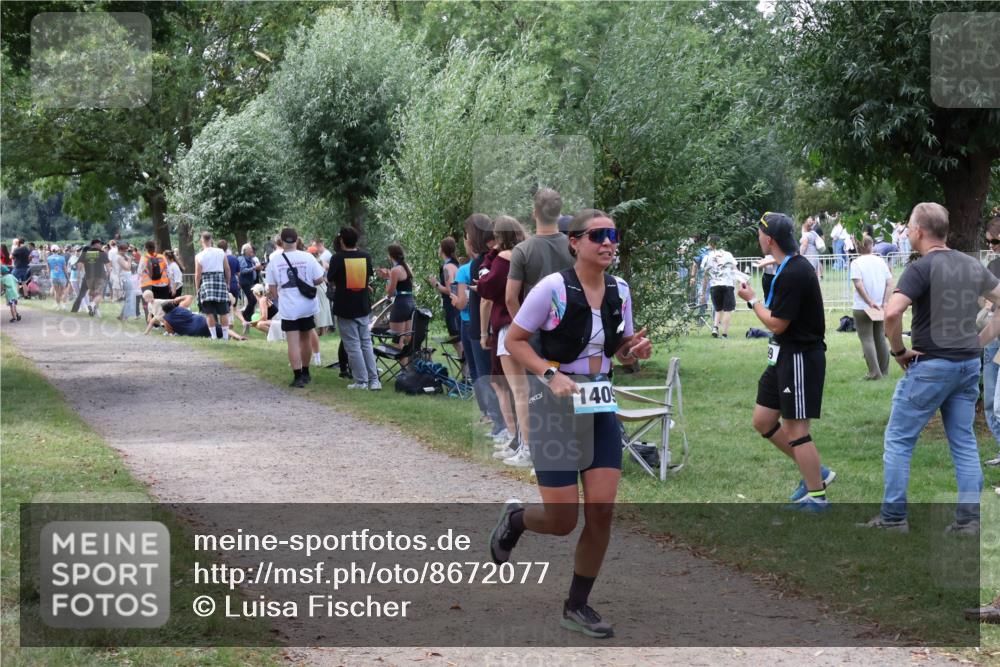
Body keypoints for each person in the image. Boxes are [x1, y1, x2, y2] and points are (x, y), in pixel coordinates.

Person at [491, 209, 652, 639]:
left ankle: (577, 605)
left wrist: (633, 352)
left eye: (613, 235)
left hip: (597, 403)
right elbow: (514, 340)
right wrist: (549, 374)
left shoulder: (620, 290)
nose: (607, 243)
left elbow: (619, 348)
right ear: (574, 242)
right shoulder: (552, 288)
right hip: (554, 405)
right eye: (597, 235)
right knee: (564, 520)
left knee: (601, 511)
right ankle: (517, 519)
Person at [859, 203, 999, 534]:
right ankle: (969, 521)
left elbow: (892, 314)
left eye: (909, 227)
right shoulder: (971, 265)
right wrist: (978, 343)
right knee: (964, 442)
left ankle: (893, 519)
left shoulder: (921, 268)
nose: (907, 233)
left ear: (920, 231)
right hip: (966, 367)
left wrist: (898, 352)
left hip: (932, 365)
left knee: (898, 439)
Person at [736, 212, 835, 509]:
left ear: (769, 239)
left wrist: (751, 300)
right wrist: (770, 270)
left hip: (800, 358)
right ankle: (817, 473)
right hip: (781, 356)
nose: (758, 239)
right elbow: (776, 302)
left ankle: (817, 498)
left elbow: (777, 322)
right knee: (763, 421)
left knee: (796, 429)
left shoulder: (795, 271)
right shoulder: (786, 266)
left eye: (759, 235)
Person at [503, 188, 575, 466]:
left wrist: (524, 327)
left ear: (534, 213)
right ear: (559, 212)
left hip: (536, 336)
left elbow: (511, 297)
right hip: (570, 331)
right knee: (568, 392)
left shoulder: (524, 250)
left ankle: (537, 454)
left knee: (537, 394)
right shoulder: (573, 247)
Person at [453, 214, 506, 440]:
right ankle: (500, 422)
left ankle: (499, 423)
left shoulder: (478, 264)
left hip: (480, 327)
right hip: (488, 325)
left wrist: (484, 332)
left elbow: (481, 300)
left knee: (486, 375)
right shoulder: (493, 260)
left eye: (466, 236)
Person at [477, 216, 526, 456]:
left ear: (499, 238)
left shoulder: (504, 259)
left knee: (517, 389)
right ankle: (520, 442)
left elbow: (486, 287)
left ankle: (521, 444)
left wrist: (491, 256)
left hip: (509, 324)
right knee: (523, 389)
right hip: (528, 324)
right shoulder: (527, 254)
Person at [265, 227, 325, 388]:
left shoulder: (275, 261)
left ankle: (297, 376)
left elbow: (271, 289)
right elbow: (319, 279)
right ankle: (306, 372)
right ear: (297, 239)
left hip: (289, 307)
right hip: (307, 305)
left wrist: (282, 297)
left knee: (292, 341)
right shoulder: (307, 257)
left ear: (282, 241)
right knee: (306, 338)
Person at [328, 226, 381, 390]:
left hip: (345, 307)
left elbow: (330, 280)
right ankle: (374, 380)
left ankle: (361, 381)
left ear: (342, 240)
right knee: (366, 343)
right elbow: (367, 278)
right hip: (362, 305)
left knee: (352, 345)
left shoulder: (337, 258)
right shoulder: (366, 256)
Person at [849, 236, 893, 380]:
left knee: (867, 339)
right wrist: (885, 302)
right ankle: (884, 371)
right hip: (880, 305)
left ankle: (874, 372)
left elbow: (858, 284)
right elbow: (889, 283)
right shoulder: (881, 261)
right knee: (880, 336)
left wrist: (869, 301)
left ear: (857, 246)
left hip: (862, 306)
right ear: (871, 245)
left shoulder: (856, 263)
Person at [194, 232, 232, 341]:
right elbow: (227, 269)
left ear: (202, 241)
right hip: (220, 281)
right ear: (211, 239)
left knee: (209, 313)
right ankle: (225, 337)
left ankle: (214, 337)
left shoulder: (199, 256)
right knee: (224, 312)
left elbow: (198, 274)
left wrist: (197, 288)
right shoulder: (221, 252)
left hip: (206, 283)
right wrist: (228, 283)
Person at [983, 216, 1000, 467]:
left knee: (998, 407)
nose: (992, 246)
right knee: (990, 403)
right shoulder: (994, 265)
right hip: (992, 339)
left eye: (995, 241)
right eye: (989, 242)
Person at [429, 236, 462, 354]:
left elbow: (450, 290)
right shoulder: (455, 264)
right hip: (457, 306)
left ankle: (466, 369)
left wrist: (436, 284)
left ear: (443, 249)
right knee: (457, 339)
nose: (438, 249)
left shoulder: (447, 267)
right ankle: (466, 369)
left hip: (451, 307)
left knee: (456, 340)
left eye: (439, 247)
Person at [700, 234, 738, 338]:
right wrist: (742, 282)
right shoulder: (728, 255)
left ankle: (715, 328)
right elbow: (735, 270)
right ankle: (725, 334)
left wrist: (703, 293)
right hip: (727, 285)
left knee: (718, 309)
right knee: (728, 310)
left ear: (710, 244)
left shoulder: (707, 257)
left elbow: (705, 276)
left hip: (714, 286)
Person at [159, 297, 247, 340]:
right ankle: (238, 337)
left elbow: (171, 332)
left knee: (213, 333)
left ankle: (227, 337)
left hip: (193, 331)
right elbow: (189, 297)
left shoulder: (166, 319)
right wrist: (176, 300)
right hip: (201, 321)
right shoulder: (181, 307)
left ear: (165, 310)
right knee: (221, 328)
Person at [380, 243, 416, 340]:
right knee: (407, 339)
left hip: (400, 304)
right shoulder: (407, 266)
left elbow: (390, 292)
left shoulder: (395, 270)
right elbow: (405, 285)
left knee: (397, 338)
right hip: (411, 302)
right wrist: (389, 276)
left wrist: (387, 279)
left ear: (390, 256)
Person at [72, 238, 110, 315]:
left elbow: (78, 266)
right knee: (99, 295)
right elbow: (108, 266)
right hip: (100, 276)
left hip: (89, 277)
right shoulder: (102, 253)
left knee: (93, 294)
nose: (101, 246)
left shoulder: (85, 253)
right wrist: (108, 273)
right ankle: (92, 305)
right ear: (95, 244)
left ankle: (94, 311)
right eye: (100, 244)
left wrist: (78, 275)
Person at [237, 243, 261, 321]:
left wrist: (259, 267)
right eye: (250, 249)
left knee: (252, 300)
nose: (252, 250)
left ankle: (248, 317)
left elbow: (253, 268)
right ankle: (245, 316)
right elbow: (243, 270)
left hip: (251, 281)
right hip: (245, 282)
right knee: (253, 300)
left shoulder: (251, 258)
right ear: (245, 250)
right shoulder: (242, 258)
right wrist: (254, 268)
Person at [217, 239, 242, 307]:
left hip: (223, 284)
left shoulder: (218, 259)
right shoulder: (234, 258)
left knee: (224, 309)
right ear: (227, 247)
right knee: (234, 307)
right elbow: (239, 273)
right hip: (234, 284)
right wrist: (239, 283)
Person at [46, 244, 69, 310]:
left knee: (56, 291)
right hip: (61, 276)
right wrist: (67, 277)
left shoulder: (49, 258)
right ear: (58, 250)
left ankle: (58, 305)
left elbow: (48, 269)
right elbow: (64, 268)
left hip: (53, 276)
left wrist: (49, 276)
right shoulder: (62, 258)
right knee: (63, 291)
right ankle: (64, 305)